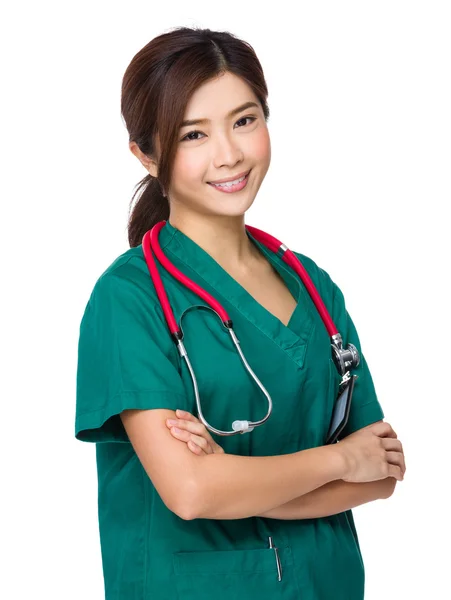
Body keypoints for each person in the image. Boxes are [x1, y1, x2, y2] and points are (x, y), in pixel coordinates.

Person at [75, 26, 406, 600]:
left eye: (244, 120)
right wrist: (337, 460)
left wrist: (240, 480)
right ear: (147, 154)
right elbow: (192, 492)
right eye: (193, 133)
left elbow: (381, 473)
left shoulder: (313, 286)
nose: (229, 154)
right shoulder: (129, 299)